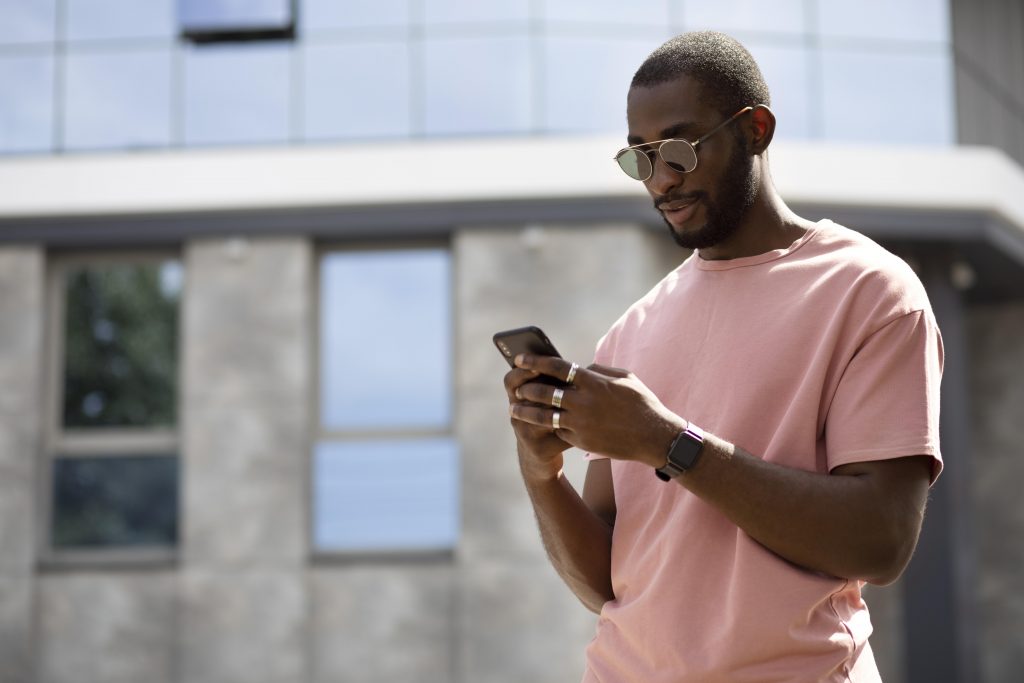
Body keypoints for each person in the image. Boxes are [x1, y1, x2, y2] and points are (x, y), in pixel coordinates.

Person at [502, 31, 943, 682]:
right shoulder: (629, 333)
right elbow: (607, 582)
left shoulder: (870, 291)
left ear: (756, 129)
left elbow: (879, 540)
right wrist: (541, 475)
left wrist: (664, 441)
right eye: (641, 158)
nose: (663, 179)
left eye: (680, 149)